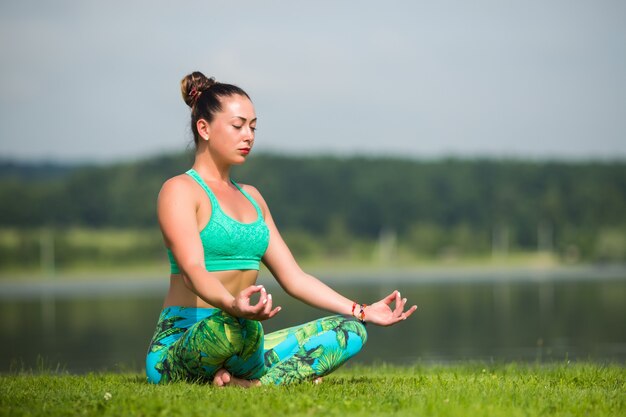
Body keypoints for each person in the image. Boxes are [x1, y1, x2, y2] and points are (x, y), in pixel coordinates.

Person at [145, 71, 418, 387]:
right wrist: (233, 305)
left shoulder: (253, 198)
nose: (248, 135)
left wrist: (361, 310)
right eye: (238, 126)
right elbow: (193, 270)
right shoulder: (179, 190)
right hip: (188, 343)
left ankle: (248, 384)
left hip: (245, 337)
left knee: (351, 331)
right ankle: (275, 379)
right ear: (204, 128)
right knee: (236, 327)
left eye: (253, 126)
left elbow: (295, 278)